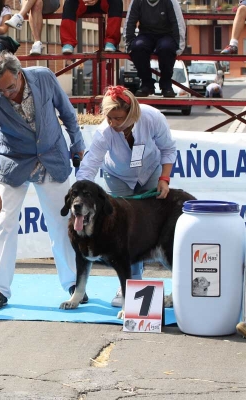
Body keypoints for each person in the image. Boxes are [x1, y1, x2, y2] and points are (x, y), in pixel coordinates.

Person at [0, 52, 86, 310]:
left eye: (10, 87)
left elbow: (67, 112)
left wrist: (78, 144)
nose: (6, 93)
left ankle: (74, 285)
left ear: (19, 73)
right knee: (5, 223)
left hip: (53, 156)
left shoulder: (43, 77)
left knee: (62, 223)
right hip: (14, 162)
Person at [75, 85, 176, 307]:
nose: (113, 123)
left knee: (148, 229)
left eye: (118, 118)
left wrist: (165, 179)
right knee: (123, 231)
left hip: (151, 174)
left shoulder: (152, 118)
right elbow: (90, 165)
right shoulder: (104, 132)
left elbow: (168, 149)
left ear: (132, 113)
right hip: (118, 178)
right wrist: (78, 194)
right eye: (109, 118)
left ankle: (174, 288)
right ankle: (131, 286)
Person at [124, 0, 185, 97]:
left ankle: (166, 85)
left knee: (166, 48)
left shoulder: (171, 2)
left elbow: (178, 23)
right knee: (137, 46)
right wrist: (129, 44)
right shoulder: (137, 1)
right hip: (145, 35)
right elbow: (129, 22)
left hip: (166, 35)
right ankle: (146, 84)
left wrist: (179, 46)